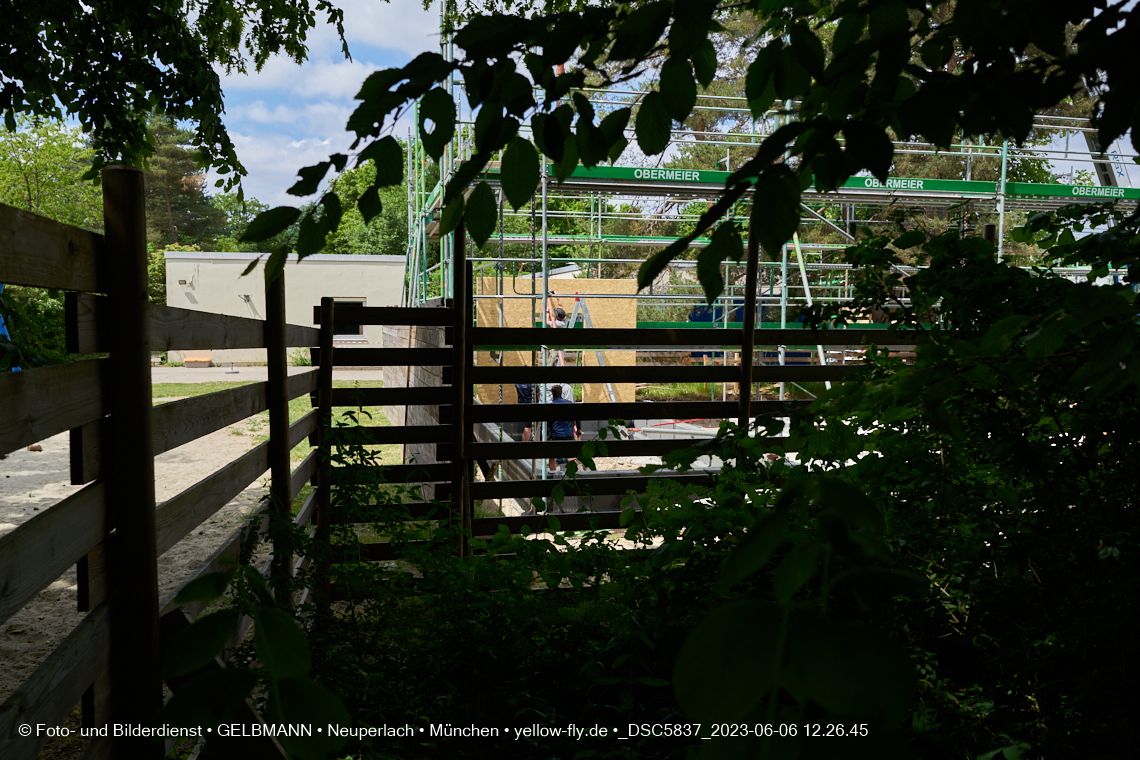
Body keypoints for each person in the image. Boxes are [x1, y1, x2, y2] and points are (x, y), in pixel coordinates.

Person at [547, 383, 580, 473]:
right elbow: (576, 418)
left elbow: (548, 422)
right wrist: (579, 429)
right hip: (568, 434)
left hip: (556, 435)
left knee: (552, 456)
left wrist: (547, 434)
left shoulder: (551, 406)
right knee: (570, 455)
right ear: (561, 393)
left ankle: (553, 474)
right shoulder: (569, 404)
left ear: (552, 393)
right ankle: (573, 473)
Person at [545, 291, 567, 366]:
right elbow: (560, 306)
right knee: (551, 358)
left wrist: (547, 312)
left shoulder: (558, 324)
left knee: (552, 362)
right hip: (556, 343)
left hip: (557, 345)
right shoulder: (564, 318)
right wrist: (557, 295)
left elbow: (547, 322)